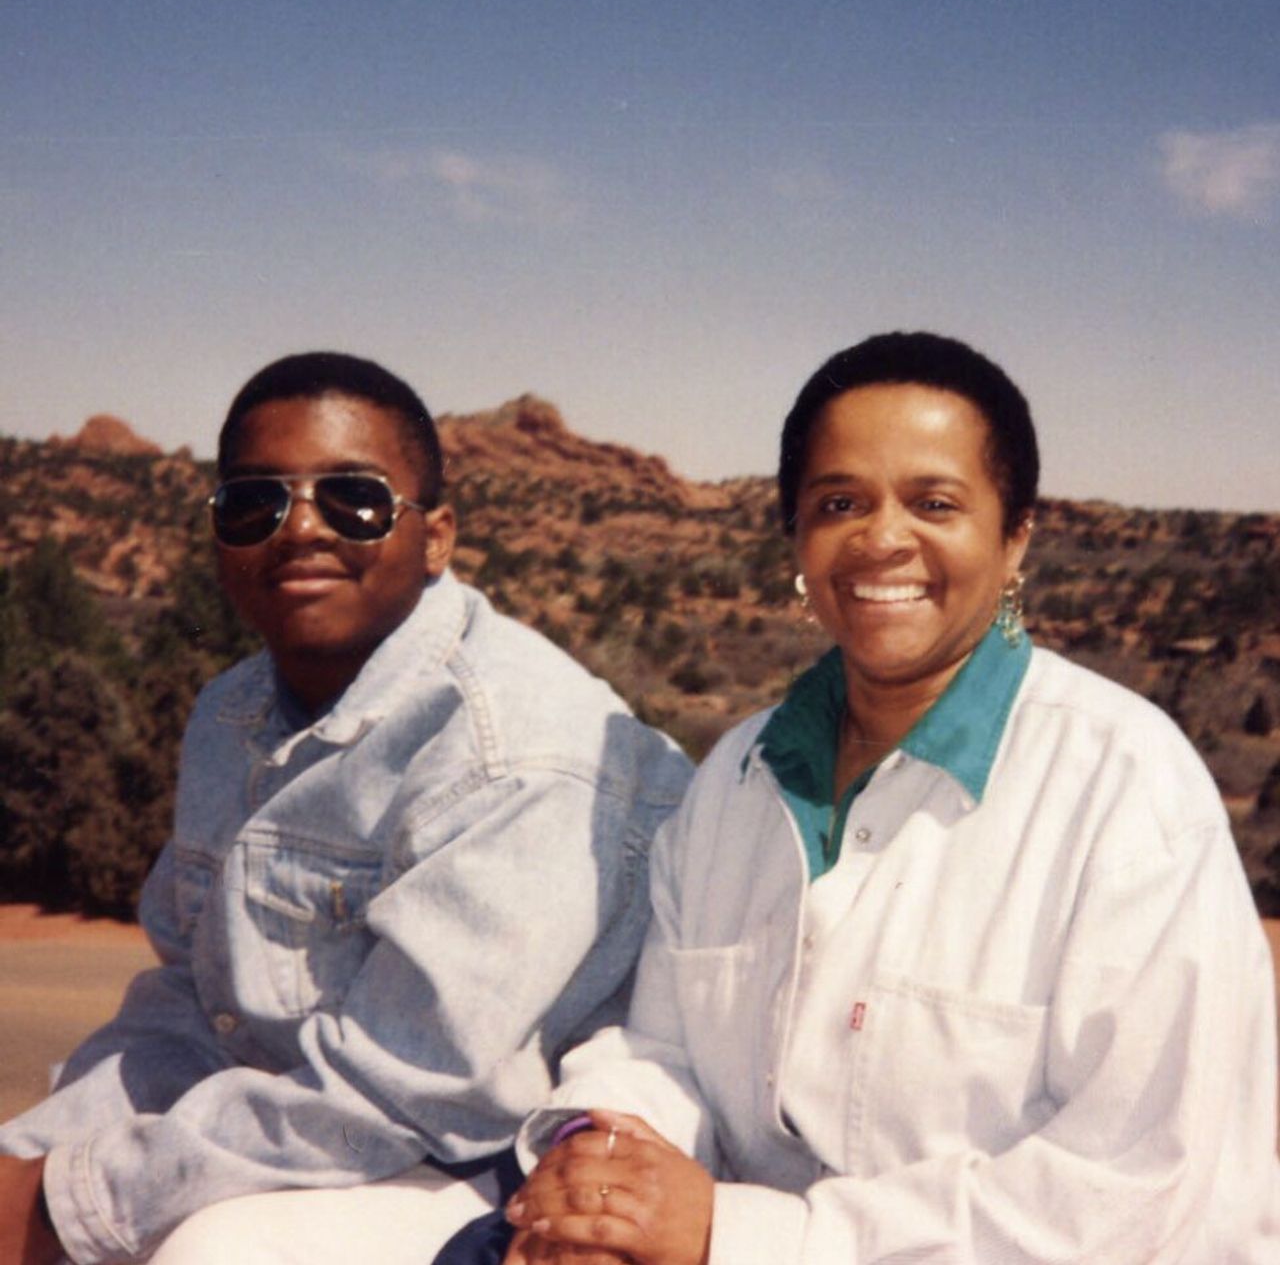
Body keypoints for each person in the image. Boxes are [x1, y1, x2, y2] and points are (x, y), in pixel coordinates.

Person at [499, 331, 1280, 1264]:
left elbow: (1135, 1194)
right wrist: (601, 1175)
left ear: (1016, 537)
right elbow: (661, 1052)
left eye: (934, 502)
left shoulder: (1124, 788)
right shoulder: (738, 776)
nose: (880, 538)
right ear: (796, 536)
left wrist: (739, 1235)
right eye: (839, 503)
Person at [0, 351, 692, 1265]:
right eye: (254, 502)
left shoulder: (518, 750)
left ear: (435, 536)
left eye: (352, 499)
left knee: (212, 1252)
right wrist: (31, 1158)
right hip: (318, 1115)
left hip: (513, 1153)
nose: (300, 530)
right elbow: (198, 1011)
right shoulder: (232, 715)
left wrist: (64, 1203)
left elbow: (407, 1092)